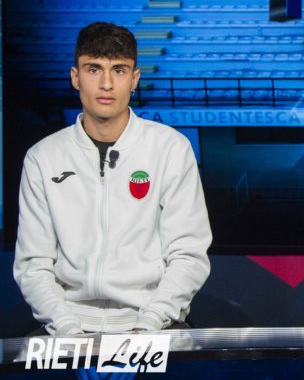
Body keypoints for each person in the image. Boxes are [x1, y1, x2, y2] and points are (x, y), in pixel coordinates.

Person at [14, 22, 212, 336]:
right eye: (94, 69)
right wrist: (69, 331)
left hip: (153, 323)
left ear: (134, 79)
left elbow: (188, 254)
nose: (106, 84)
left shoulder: (171, 148)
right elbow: (33, 264)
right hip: (67, 326)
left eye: (119, 70)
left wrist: (148, 325)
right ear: (75, 77)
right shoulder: (43, 157)